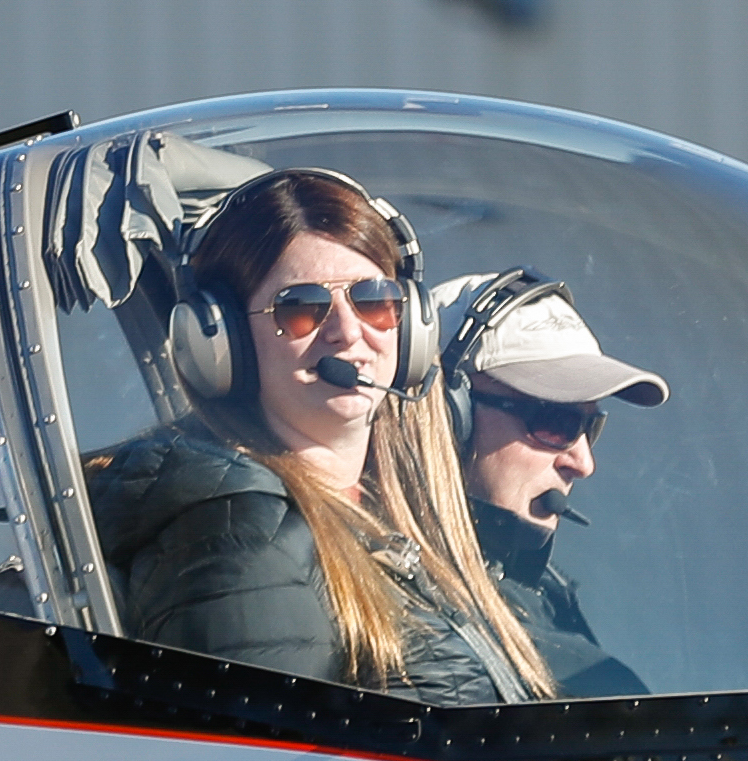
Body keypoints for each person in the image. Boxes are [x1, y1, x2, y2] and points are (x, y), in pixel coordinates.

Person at [93, 171, 552, 701]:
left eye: (374, 300)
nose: (349, 332)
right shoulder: (244, 527)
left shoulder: (385, 513)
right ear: (221, 339)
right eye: (301, 308)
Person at [437, 272, 666, 700]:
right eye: (556, 422)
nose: (583, 463)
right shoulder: (391, 609)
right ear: (451, 416)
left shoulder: (546, 596)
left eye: (588, 426)